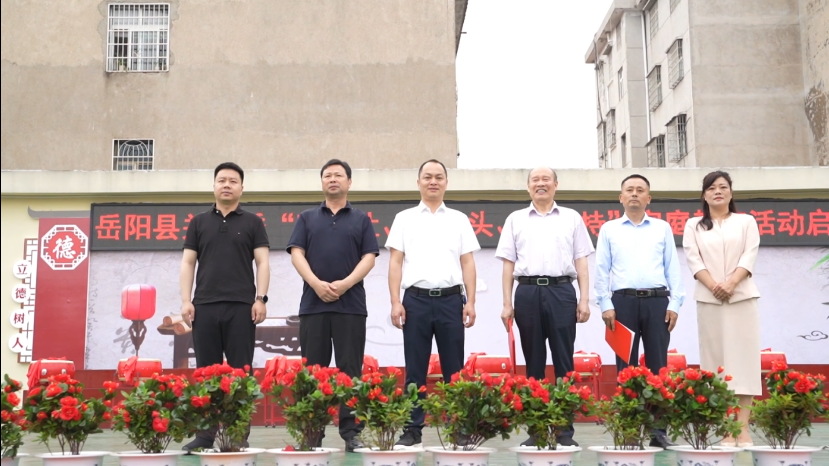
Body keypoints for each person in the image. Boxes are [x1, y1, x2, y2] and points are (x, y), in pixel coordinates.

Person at [495, 167, 593, 447]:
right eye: (535, 180)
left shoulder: (571, 218)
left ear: (555, 185)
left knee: (564, 361)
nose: (541, 184)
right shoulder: (515, 219)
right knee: (534, 362)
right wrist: (507, 303)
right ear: (528, 187)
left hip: (562, 291)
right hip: (527, 292)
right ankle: (536, 430)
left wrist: (584, 299)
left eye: (546, 179)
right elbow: (508, 265)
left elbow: (581, 261)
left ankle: (565, 431)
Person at [287, 159, 379, 452]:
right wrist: (316, 284)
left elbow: (369, 258)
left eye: (339, 175)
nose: (333, 179)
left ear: (349, 182)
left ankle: (351, 433)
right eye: (328, 175)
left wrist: (345, 284)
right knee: (313, 371)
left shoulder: (361, 219)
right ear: (322, 182)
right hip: (313, 306)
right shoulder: (306, 218)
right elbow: (297, 254)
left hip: (350, 306)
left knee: (350, 370)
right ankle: (312, 432)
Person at [386, 159, 480, 448]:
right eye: (427, 177)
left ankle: (458, 428)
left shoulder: (459, 219)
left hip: (451, 301)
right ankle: (412, 430)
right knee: (415, 369)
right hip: (415, 301)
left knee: (454, 370)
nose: (433, 182)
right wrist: (395, 302)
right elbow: (395, 262)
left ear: (446, 183)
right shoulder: (404, 218)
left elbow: (468, 262)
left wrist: (471, 301)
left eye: (439, 177)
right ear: (418, 182)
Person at [179, 162, 270, 452]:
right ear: (214, 186)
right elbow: (188, 262)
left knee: (241, 372)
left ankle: (238, 433)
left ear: (242, 188)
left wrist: (261, 298)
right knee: (206, 372)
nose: (227, 185)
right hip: (204, 306)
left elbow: (263, 262)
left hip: (242, 307)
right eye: (222, 180)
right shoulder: (198, 222)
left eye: (233, 181)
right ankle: (205, 435)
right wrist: (186, 300)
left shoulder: (253, 222)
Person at [594, 173, 684, 449]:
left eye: (640, 190)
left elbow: (673, 267)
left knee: (658, 367)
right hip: (622, 304)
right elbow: (601, 269)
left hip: (657, 303)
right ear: (621, 197)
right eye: (629, 190)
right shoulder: (609, 229)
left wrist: (675, 303)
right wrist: (605, 304)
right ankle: (630, 429)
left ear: (648, 198)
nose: (634, 194)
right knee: (626, 368)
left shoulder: (662, 228)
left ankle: (658, 431)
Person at [683, 171, 761, 447]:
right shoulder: (693, 225)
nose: (718, 191)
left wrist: (731, 283)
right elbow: (694, 260)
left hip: (742, 299)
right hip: (710, 300)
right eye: (712, 188)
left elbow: (749, 254)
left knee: (744, 363)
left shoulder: (746, 221)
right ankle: (726, 429)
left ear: (731, 192)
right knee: (716, 365)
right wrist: (715, 286)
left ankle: (743, 429)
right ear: (704, 195)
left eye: (723, 187)